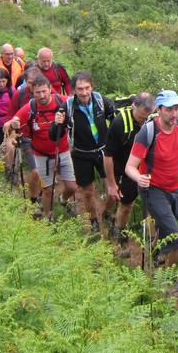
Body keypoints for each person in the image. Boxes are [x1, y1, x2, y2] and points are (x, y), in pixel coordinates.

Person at [125, 90, 178, 272]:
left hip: (177, 187)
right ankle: (170, 282)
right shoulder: (148, 132)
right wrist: (140, 178)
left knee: (165, 228)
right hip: (153, 190)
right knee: (175, 239)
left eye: (177, 108)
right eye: (169, 109)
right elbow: (130, 167)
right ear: (159, 110)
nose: (174, 114)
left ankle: (155, 251)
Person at [6, 75, 77, 221]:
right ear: (33, 92)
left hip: (63, 151)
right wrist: (13, 127)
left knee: (72, 187)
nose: (42, 95)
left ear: (50, 89)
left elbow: (79, 106)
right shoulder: (30, 108)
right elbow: (10, 125)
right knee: (47, 190)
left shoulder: (62, 101)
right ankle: (47, 216)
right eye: (38, 92)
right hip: (41, 154)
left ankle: (63, 199)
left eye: (44, 91)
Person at [104, 93, 155, 248]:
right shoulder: (119, 123)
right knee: (125, 205)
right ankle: (120, 235)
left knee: (149, 208)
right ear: (134, 106)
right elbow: (108, 155)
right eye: (140, 117)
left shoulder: (153, 120)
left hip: (144, 169)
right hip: (123, 167)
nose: (143, 121)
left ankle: (152, 245)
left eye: (146, 117)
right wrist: (111, 183)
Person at [65, 71, 114, 233]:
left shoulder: (101, 101)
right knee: (87, 192)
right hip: (81, 154)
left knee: (112, 188)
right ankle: (93, 222)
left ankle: (107, 213)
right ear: (74, 90)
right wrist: (57, 123)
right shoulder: (68, 106)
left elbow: (114, 119)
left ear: (92, 87)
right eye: (80, 89)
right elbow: (53, 133)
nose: (84, 92)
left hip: (103, 152)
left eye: (87, 88)